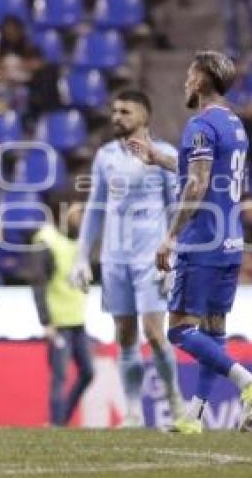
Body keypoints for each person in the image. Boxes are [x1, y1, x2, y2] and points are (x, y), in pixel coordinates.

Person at [148, 52, 252, 433]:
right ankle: (195, 415)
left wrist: (170, 237)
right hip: (231, 241)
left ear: (202, 79)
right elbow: (207, 173)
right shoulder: (235, 125)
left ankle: (247, 382)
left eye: (189, 75)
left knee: (180, 330)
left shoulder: (200, 125)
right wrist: (159, 159)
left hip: (202, 242)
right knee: (213, 332)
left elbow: (198, 183)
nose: (186, 82)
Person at [72, 90, 184, 428]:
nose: (117, 116)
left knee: (153, 331)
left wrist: (173, 252)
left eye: (125, 111)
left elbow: (175, 207)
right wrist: (81, 256)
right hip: (114, 257)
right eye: (115, 110)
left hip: (151, 258)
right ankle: (133, 410)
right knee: (124, 334)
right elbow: (95, 208)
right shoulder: (105, 156)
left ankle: (175, 401)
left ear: (145, 116)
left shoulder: (164, 154)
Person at [30, 201, 95, 427]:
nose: (81, 217)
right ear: (63, 213)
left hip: (78, 321)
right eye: (77, 212)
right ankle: (57, 424)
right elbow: (37, 282)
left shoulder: (81, 243)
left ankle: (61, 420)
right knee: (60, 377)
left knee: (88, 373)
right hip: (58, 322)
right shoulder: (47, 241)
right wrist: (45, 320)